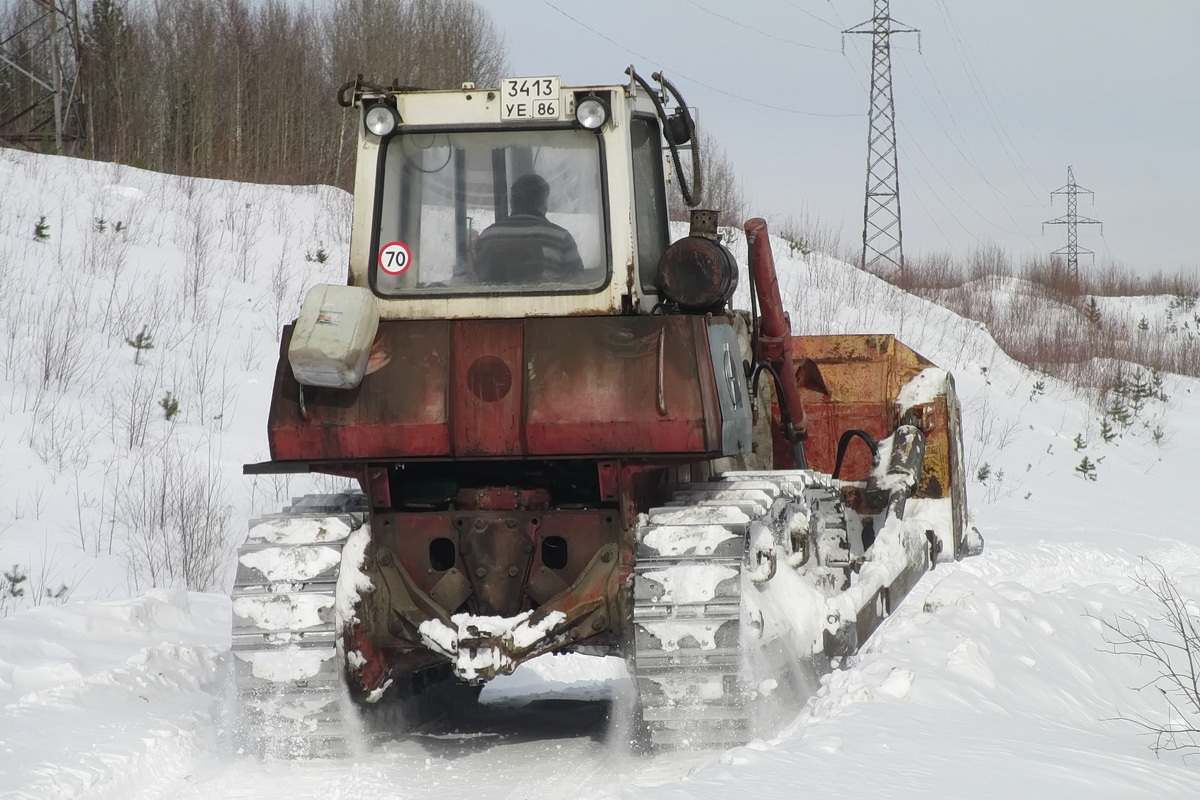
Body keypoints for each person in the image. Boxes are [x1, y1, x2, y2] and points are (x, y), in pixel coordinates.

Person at [474, 173, 585, 284]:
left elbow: (475, 279)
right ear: (543, 203)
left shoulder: (487, 236)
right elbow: (579, 283)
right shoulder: (561, 238)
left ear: (512, 203)